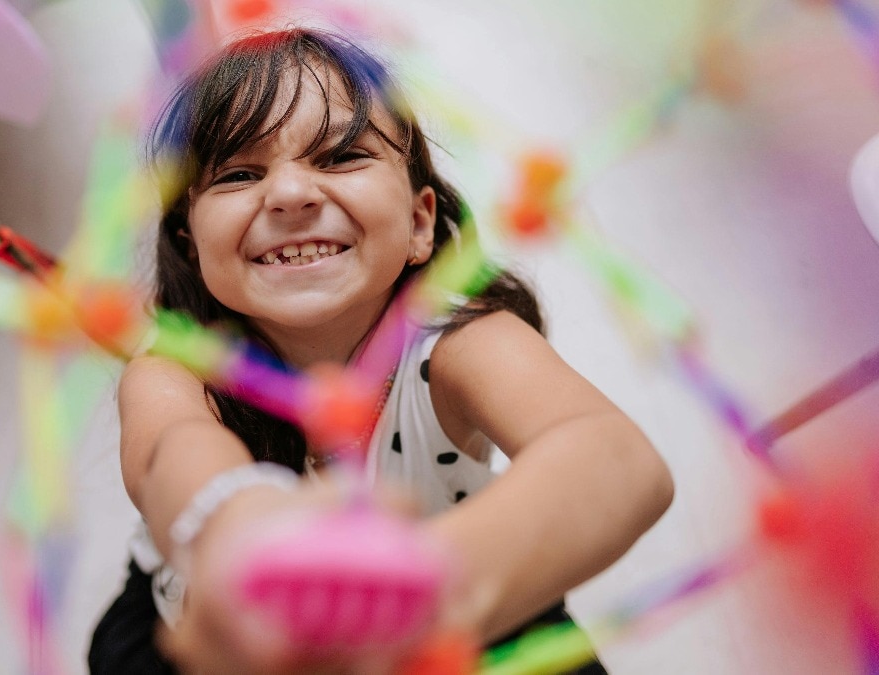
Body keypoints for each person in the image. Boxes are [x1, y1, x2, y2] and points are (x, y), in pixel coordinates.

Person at [88, 26, 673, 675]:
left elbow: (617, 460)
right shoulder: (175, 366)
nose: (288, 194)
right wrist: (237, 527)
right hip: (212, 636)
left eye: (338, 157)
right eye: (238, 173)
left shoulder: (460, 340)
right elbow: (172, 453)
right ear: (192, 243)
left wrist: (428, 588)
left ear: (420, 223)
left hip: (457, 620)